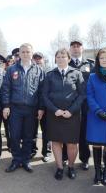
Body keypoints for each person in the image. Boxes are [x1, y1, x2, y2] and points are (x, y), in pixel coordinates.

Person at [1, 43, 44, 173]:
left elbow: (42, 91)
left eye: (27, 52)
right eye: (23, 52)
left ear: (32, 53)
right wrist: (6, 106)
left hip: (31, 110)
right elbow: (6, 89)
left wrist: (41, 108)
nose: (25, 54)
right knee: (14, 135)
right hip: (15, 109)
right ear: (19, 54)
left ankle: (25, 160)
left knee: (28, 136)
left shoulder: (39, 70)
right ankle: (16, 159)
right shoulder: (11, 69)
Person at [43, 48, 85, 180]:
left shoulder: (77, 73)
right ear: (55, 59)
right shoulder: (49, 75)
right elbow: (44, 95)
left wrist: (71, 111)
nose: (61, 59)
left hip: (72, 115)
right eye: (58, 57)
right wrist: (55, 110)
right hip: (54, 114)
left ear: (68, 58)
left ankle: (71, 166)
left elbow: (82, 94)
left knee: (72, 143)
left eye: (63, 56)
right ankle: (60, 167)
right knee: (56, 142)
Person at [62, 40, 94, 170]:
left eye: (78, 46)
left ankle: (85, 158)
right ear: (70, 49)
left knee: (83, 133)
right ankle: (64, 157)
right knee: (66, 132)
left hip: (85, 105)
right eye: (73, 46)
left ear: (82, 48)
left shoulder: (91, 65)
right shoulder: (65, 63)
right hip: (68, 105)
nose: (75, 49)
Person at [86, 48, 106, 186]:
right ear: (98, 60)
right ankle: (97, 172)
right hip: (96, 116)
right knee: (96, 144)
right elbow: (89, 95)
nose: (104, 60)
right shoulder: (92, 77)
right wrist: (98, 111)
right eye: (101, 58)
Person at [31, 52, 52, 162]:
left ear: (43, 59)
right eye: (35, 59)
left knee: (46, 131)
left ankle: (47, 152)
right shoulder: (30, 72)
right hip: (32, 107)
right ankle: (32, 150)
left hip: (46, 107)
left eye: (39, 58)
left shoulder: (49, 72)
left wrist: (43, 107)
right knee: (32, 130)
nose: (38, 60)